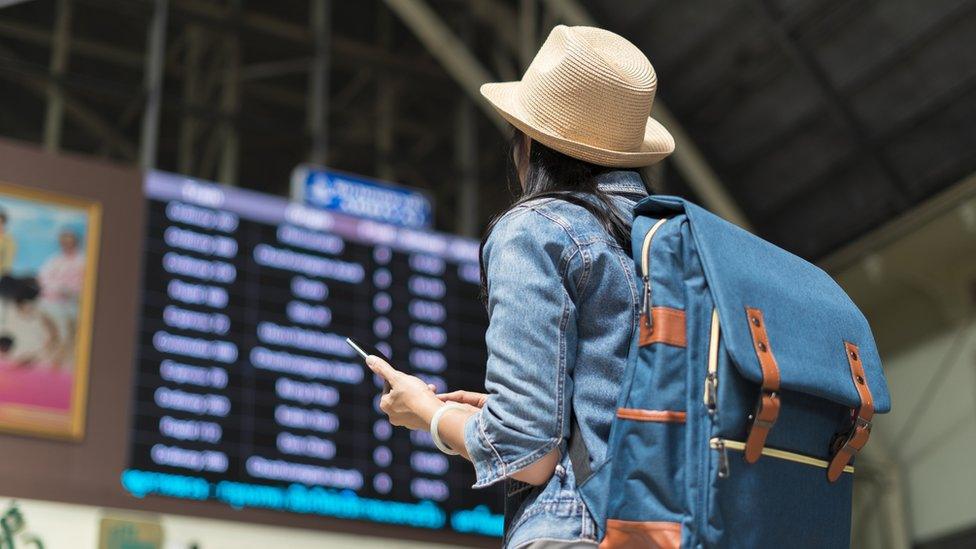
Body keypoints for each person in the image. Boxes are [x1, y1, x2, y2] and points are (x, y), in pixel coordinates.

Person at [368, 25, 674, 548]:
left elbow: (530, 455)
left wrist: (428, 414)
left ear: (529, 140)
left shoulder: (537, 229)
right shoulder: (673, 240)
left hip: (581, 530)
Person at [37, 227, 86, 369]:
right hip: (50, 303)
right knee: (49, 335)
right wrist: (55, 288)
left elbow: (85, 284)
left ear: (76, 242)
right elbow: (42, 279)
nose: (67, 245)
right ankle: (48, 363)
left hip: (71, 305)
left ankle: (58, 365)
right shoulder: (54, 260)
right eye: (64, 242)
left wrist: (69, 290)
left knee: (66, 336)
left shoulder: (83, 260)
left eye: (70, 242)